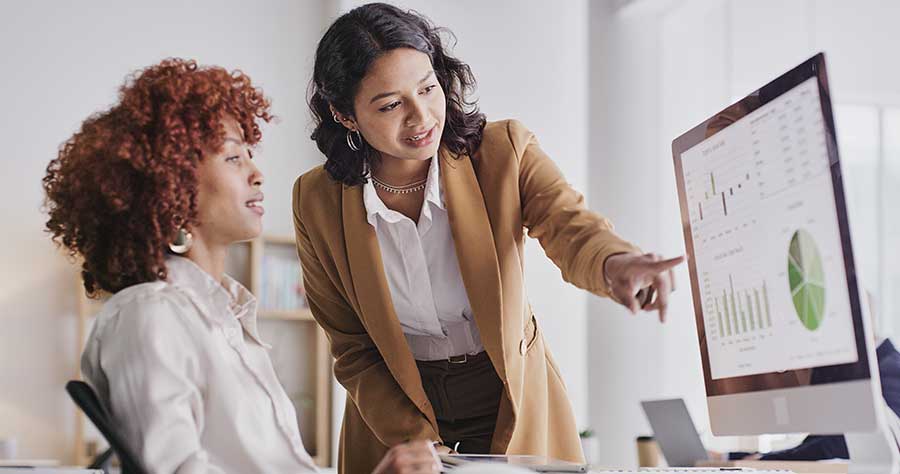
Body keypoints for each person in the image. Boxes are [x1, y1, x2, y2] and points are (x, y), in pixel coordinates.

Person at [294, 4, 684, 473]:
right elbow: (353, 347)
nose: (421, 117)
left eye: (428, 88)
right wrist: (417, 443)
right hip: (392, 412)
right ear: (345, 114)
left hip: (510, 396)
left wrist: (615, 262)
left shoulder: (504, 151)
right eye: (391, 104)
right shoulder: (317, 200)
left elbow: (568, 224)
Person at [43, 58, 440, 474]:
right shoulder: (150, 314)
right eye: (233, 158)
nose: (257, 174)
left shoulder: (223, 316)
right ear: (169, 185)